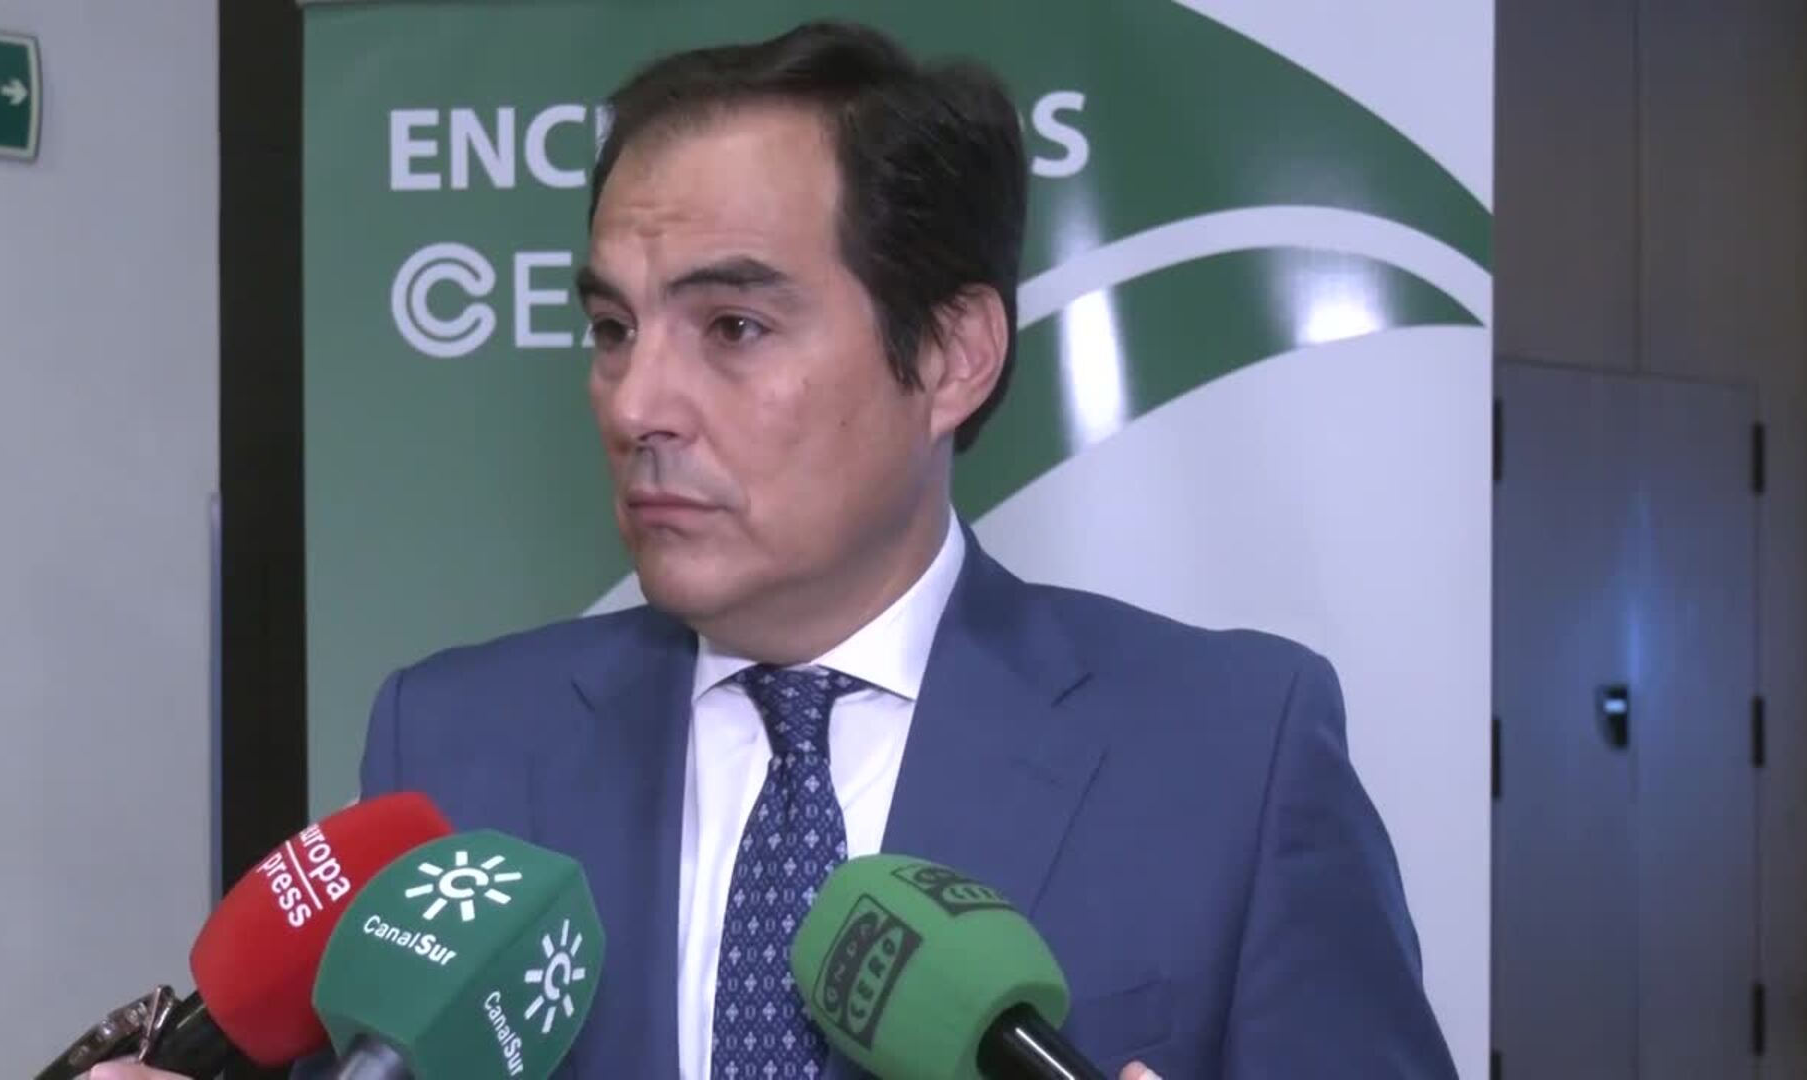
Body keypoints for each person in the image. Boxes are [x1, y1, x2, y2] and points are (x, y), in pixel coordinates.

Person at [97, 19, 1453, 1080]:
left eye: (733, 328)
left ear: (952, 355)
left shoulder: (1231, 756)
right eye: (613, 329)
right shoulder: (456, 751)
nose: (635, 403)